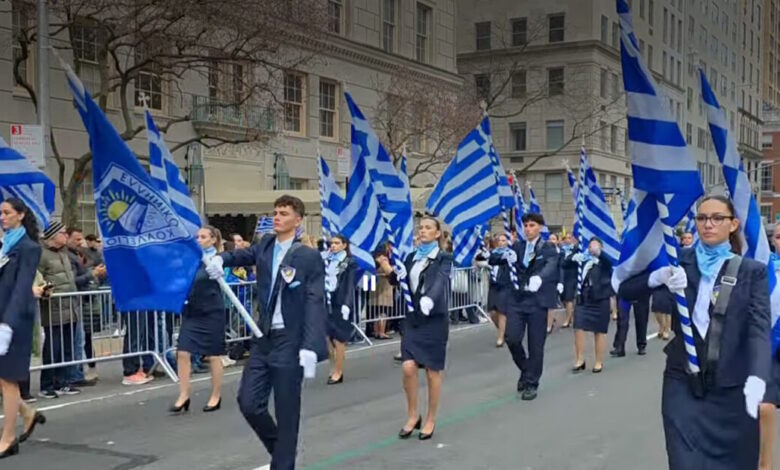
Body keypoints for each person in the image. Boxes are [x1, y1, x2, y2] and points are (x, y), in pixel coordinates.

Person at [618, 195, 771, 469]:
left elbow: (758, 330)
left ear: (733, 224)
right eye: (702, 218)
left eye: (717, 218)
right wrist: (658, 277)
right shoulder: (678, 261)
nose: (708, 224)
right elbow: (625, 290)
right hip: (683, 381)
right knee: (683, 460)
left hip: (733, 387)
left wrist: (759, 377)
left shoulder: (752, 272)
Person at [206, 195, 326, 470]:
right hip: (264, 337)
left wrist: (311, 344)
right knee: (248, 401)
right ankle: (282, 452)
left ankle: (283, 462)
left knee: (286, 410)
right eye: (275, 212)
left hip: (291, 339)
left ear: (298, 220)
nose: (277, 217)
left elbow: (315, 300)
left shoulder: (308, 256)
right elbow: (239, 255)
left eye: (283, 213)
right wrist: (219, 258)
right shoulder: (265, 245)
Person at [391, 216, 451, 440]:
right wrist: (393, 272)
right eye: (421, 227)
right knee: (408, 367)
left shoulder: (443, 258)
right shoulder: (410, 257)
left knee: (432, 371)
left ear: (437, 234)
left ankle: (430, 419)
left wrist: (430, 299)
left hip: (434, 319)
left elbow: (440, 281)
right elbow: (399, 282)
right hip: (414, 319)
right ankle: (412, 414)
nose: (423, 231)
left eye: (428, 228)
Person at [491, 213, 558, 400]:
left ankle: (531, 383)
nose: (528, 229)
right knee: (512, 338)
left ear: (540, 228)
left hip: (538, 301)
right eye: (526, 225)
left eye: (532, 225)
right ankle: (527, 369)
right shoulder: (518, 247)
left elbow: (551, 265)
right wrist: (497, 254)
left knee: (536, 345)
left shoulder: (548, 248)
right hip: (517, 299)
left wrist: (540, 277)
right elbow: (494, 259)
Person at [0, 199, 45, 458]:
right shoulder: (5, 245)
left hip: (14, 320)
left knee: (8, 379)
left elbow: (21, 287)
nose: (2, 217)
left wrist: (8, 323)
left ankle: (8, 437)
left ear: (20, 215)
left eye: (7, 213)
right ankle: (27, 413)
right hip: (2, 316)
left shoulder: (28, 247)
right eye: (0, 213)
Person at [169, 226, 227, 414]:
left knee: (213, 355)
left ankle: (216, 395)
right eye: (197, 237)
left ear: (212, 240)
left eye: (203, 237)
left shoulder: (216, 259)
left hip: (212, 311)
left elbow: (218, 275)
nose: (199, 240)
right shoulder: (189, 260)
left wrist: (217, 269)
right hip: (192, 311)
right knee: (183, 352)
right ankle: (183, 394)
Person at [37, 221, 82, 398]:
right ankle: (47, 384)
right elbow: (39, 278)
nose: (65, 235)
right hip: (53, 308)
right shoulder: (42, 255)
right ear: (54, 236)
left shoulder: (63, 254)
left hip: (70, 307)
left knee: (67, 347)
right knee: (53, 347)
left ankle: (64, 382)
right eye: (63, 233)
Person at [571, 237, 614, 373]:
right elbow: (565, 264)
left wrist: (599, 254)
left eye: (595, 246)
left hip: (600, 297)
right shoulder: (584, 260)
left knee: (599, 331)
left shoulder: (604, 261)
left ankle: (598, 361)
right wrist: (573, 257)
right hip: (584, 296)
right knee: (578, 327)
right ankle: (580, 359)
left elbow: (609, 263)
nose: (592, 249)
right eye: (590, 246)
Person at [760, 223, 780, 470]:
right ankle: (764, 464)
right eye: (778, 236)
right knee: (765, 407)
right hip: (770, 344)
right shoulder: (763, 267)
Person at [324, 234, 357, 385]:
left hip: (341, 302)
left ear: (344, 245)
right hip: (326, 301)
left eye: (337, 243)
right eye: (332, 243)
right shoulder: (326, 259)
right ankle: (333, 366)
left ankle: (339, 371)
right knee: (327, 337)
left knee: (339, 339)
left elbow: (349, 284)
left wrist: (347, 304)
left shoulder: (349, 262)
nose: (333, 246)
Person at [487, 233, 512, 347]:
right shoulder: (493, 254)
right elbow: (492, 260)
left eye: (504, 240)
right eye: (500, 240)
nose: (502, 242)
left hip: (505, 285)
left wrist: (509, 258)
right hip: (494, 286)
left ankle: (501, 337)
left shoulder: (510, 253)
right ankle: (504, 330)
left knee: (502, 312)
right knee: (493, 312)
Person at [559, 234, 579, 328]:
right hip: (562, 276)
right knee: (563, 298)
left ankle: (567, 319)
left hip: (571, 276)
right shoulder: (562, 250)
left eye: (569, 238)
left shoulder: (576, 250)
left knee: (569, 298)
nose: (567, 240)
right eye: (566, 238)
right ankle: (571, 317)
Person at [544, 233, 562, 334]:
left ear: (557, 241)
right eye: (550, 239)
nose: (551, 241)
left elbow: (561, 268)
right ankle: (547, 321)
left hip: (553, 281)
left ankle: (549, 325)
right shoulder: (543, 251)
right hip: (543, 280)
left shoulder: (560, 253)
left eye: (554, 239)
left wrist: (560, 282)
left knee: (551, 304)